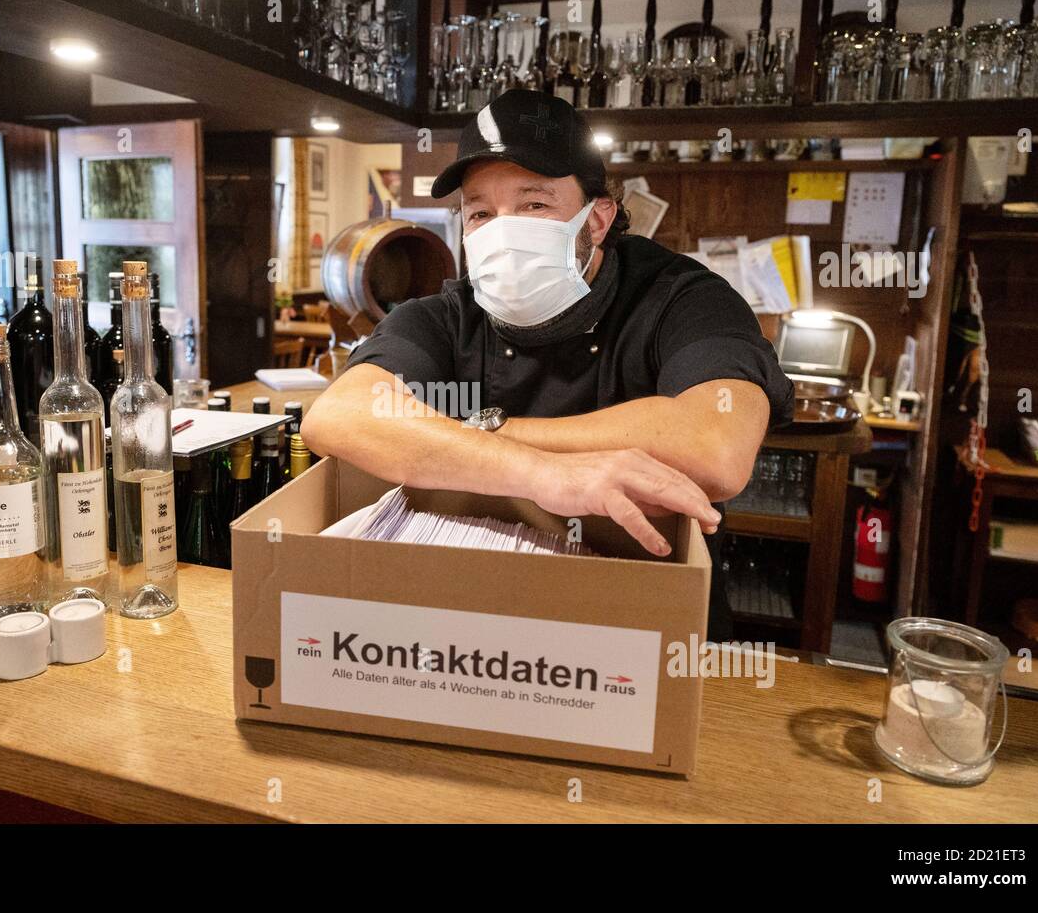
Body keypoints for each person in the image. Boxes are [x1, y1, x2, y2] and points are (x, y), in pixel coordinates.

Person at [302, 90, 794, 639]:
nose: (503, 230)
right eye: (481, 212)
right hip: (475, 621)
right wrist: (547, 475)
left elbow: (716, 449)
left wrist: (487, 433)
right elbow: (337, 417)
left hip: (650, 625)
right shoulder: (444, 316)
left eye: (535, 205)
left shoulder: (684, 299)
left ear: (598, 218)